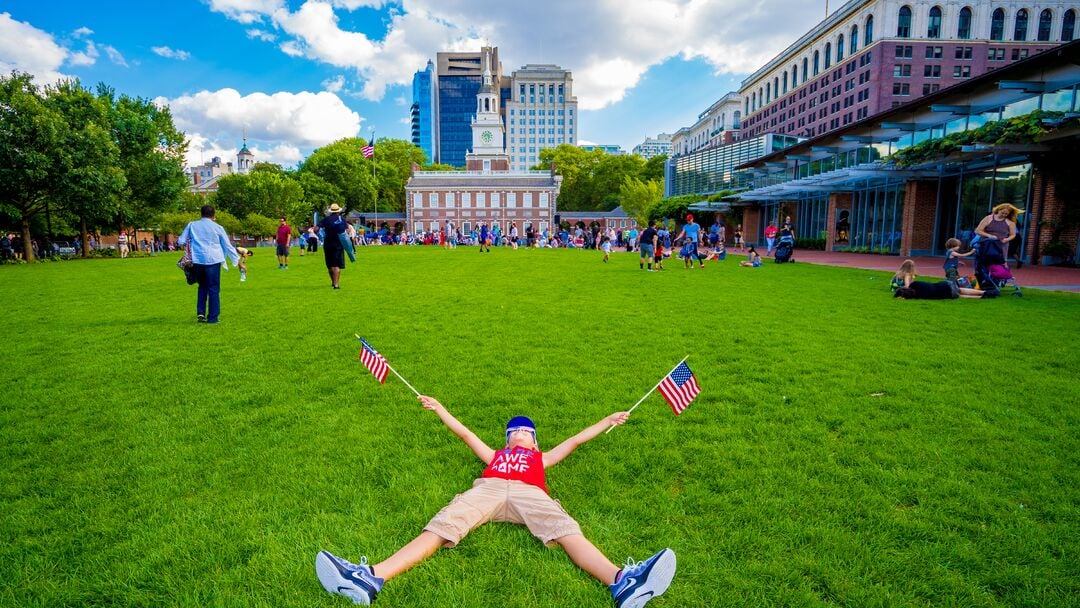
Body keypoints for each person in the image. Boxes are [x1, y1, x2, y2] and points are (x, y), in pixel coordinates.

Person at [315, 394, 677, 607]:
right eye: (514, 432)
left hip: (530, 493)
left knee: (567, 531)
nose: (520, 434)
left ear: (535, 442)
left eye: (526, 432)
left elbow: (578, 440)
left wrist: (608, 419)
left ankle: (623, 582)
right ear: (506, 442)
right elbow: (464, 432)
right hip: (487, 489)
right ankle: (369, 578)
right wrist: (439, 408)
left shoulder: (542, 458)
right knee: (443, 526)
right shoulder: (493, 456)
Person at [177, 205, 240, 324]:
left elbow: (181, 241)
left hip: (198, 260)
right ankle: (213, 317)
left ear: (201, 214)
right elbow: (227, 245)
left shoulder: (192, 225)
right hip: (213, 260)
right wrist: (236, 261)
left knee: (202, 287)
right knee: (213, 289)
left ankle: (201, 313)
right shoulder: (218, 227)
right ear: (213, 215)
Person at [891, 259, 990, 299]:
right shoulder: (916, 284)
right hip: (944, 285)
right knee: (959, 289)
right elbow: (909, 285)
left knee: (959, 294)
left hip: (946, 293)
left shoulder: (921, 296)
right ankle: (983, 292)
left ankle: (980, 296)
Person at [319, 204, 348, 289]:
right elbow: (346, 230)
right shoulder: (341, 219)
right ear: (338, 211)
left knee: (330, 264)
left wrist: (320, 235)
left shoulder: (326, 219)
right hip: (338, 243)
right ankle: (336, 284)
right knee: (337, 265)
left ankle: (332, 282)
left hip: (328, 243)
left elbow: (316, 229)